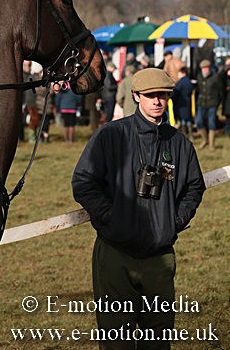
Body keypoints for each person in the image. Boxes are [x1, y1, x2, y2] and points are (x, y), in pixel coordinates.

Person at [72, 68, 205, 349]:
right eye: (150, 95)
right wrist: (111, 218)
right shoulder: (110, 136)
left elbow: (195, 186)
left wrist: (174, 221)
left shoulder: (179, 144)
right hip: (115, 255)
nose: (157, 101)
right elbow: (83, 182)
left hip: (159, 259)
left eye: (163, 96)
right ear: (135, 96)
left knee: (157, 343)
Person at [195, 59, 222, 151]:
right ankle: (205, 140)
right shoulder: (199, 76)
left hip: (212, 103)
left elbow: (220, 91)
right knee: (198, 121)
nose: (205, 70)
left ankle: (211, 144)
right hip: (201, 102)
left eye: (207, 68)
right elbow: (198, 89)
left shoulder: (215, 77)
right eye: (203, 68)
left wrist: (218, 103)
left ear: (210, 68)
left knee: (212, 123)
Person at [171, 67, 193, 138]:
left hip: (180, 103)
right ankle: (191, 134)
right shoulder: (189, 81)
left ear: (183, 73)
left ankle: (184, 135)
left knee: (183, 120)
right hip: (188, 102)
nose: (178, 75)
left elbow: (174, 92)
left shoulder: (180, 83)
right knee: (188, 119)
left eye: (179, 73)